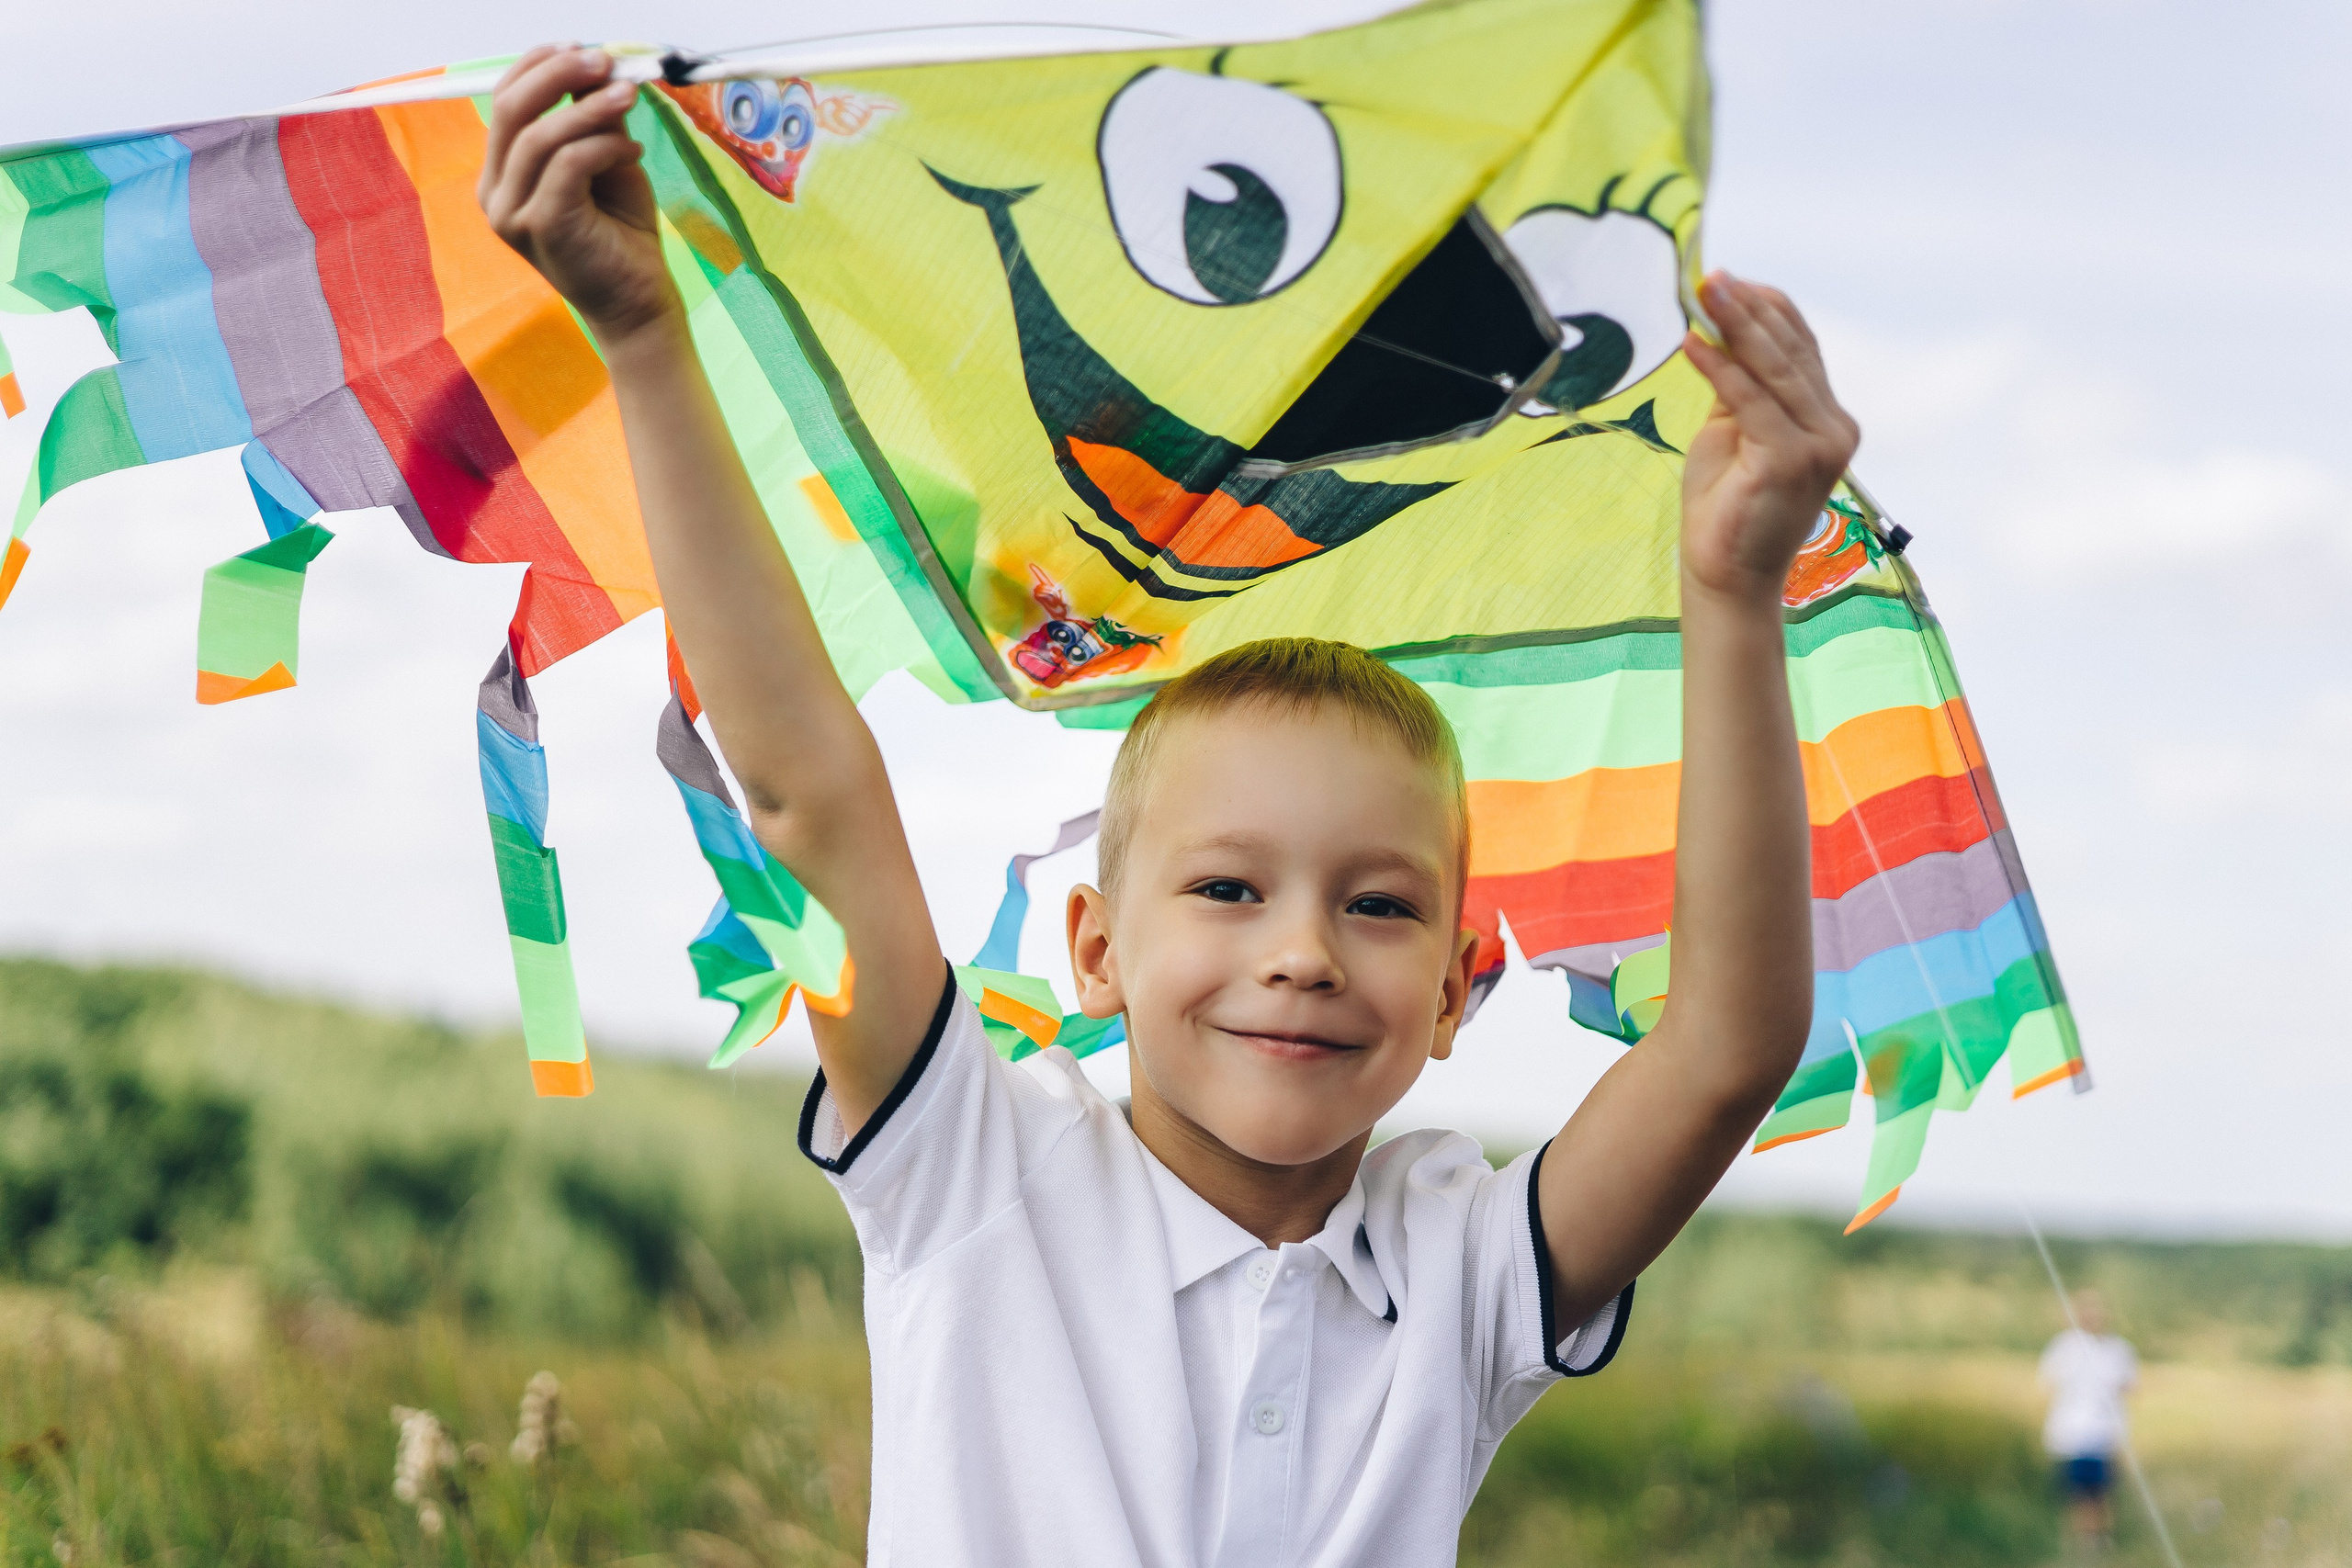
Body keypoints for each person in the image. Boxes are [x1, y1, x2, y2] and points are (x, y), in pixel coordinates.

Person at [478, 45, 1859, 1565]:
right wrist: (647, 333)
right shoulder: (967, 1166)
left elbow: (1727, 1046)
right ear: (1093, 948)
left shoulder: (1465, 1264)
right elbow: (806, 789)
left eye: (1382, 903)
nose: (1305, 951)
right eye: (1226, 888)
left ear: (1465, 985)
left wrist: (1733, 589)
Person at [2041, 1289, 2139, 1553]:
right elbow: (2048, 1383)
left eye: (2096, 1310)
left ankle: (2098, 1541)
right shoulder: (2062, 1346)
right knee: (2074, 1493)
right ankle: (2078, 1543)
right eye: (2085, 1310)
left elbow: (2130, 1386)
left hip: (2105, 1434)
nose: (2091, 1316)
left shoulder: (2118, 1349)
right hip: (2070, 1433)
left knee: (2102, 1492)